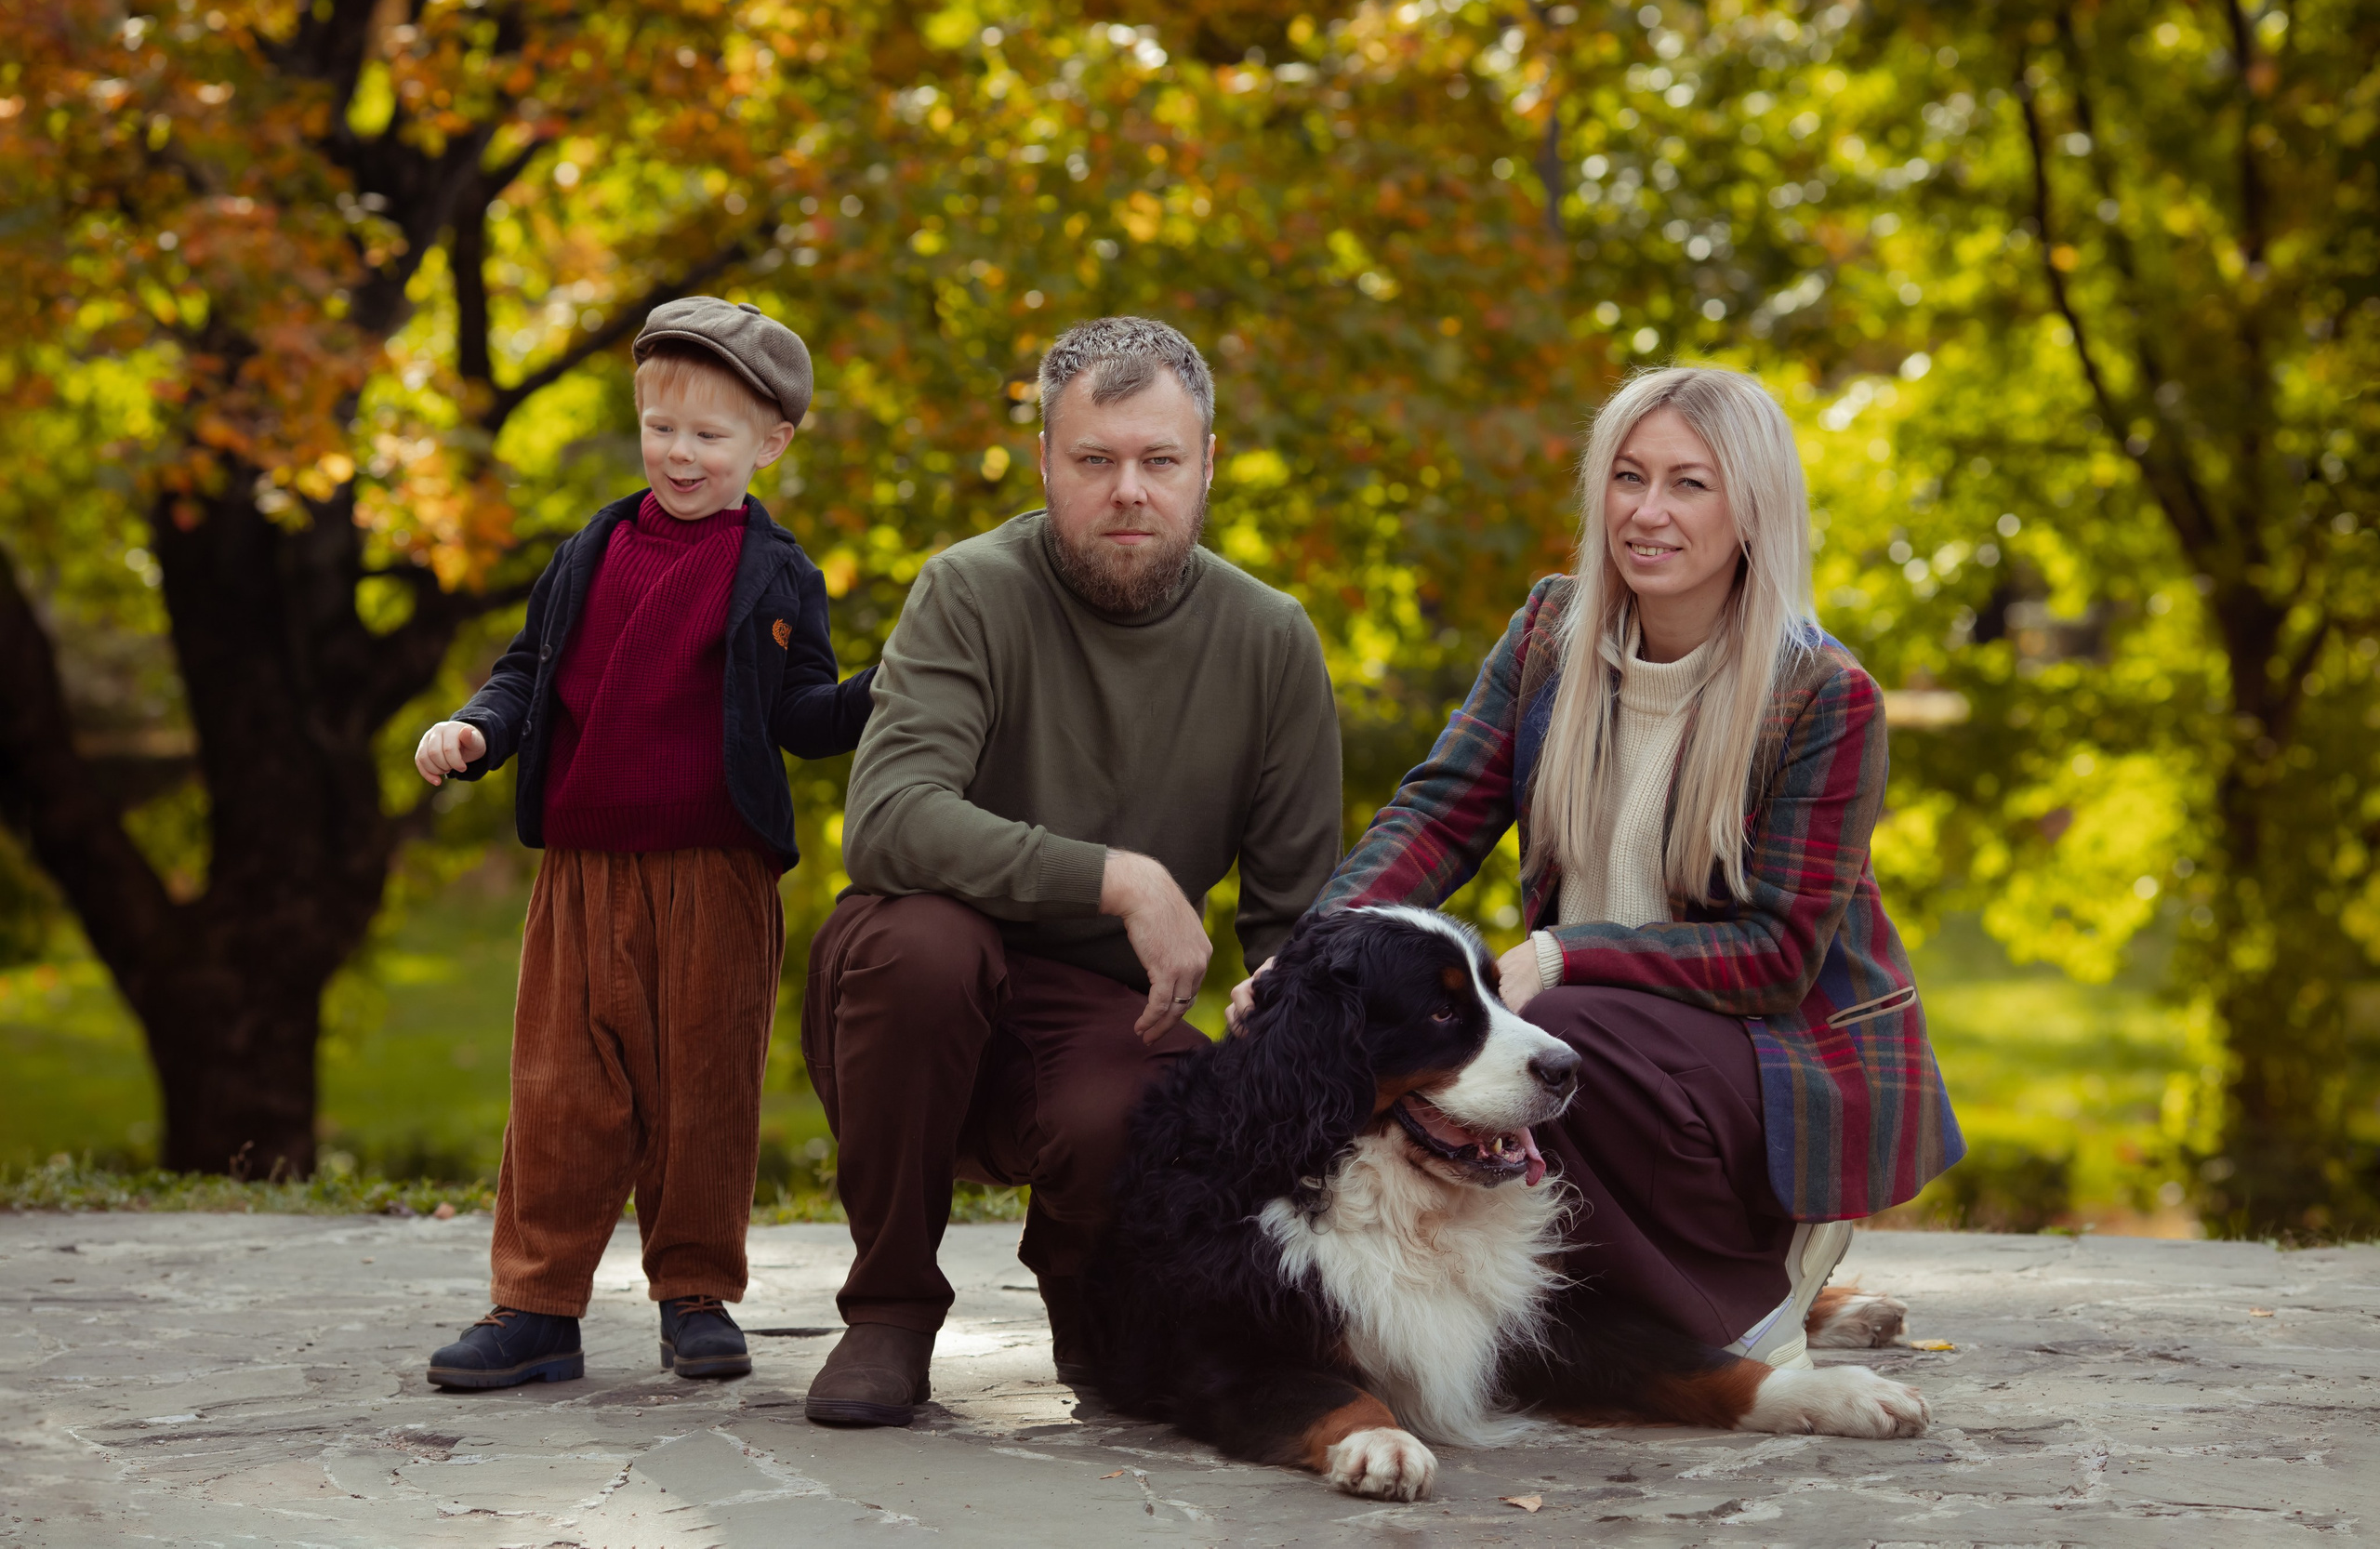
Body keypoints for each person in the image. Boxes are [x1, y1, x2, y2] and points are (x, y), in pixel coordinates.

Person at [1235, 364, 1963, 1370]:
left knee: (1545, 1034)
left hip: (1770, 1071)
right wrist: (1306, 959)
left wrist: (1558, 957)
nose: (1646, 513)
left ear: (1752, 509)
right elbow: (1436, 817)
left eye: (1687, 484)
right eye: (1627, 477)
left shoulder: (1822, 697)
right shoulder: (1549, 635)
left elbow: (1777, 955)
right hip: (1610, 1052)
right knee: (1468, 1062)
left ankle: (1728, 1326)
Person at [800, 316, 1342, 1427]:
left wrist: (1274, 1008)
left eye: (1159, 461)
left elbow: (1295, 918)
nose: (1128, 491)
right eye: (1094, 460)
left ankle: (1086, 1284)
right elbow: (890, 822)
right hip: (923, 988)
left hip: (1108, 1012)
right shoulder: (967, 591)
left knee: (1154, 1101)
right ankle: (890, 1310)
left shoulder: (1271, 641)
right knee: (922, 944)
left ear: (1205, 468)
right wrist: (1124, 879)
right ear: (1046, 461)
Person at [410, 297, 876, 1390]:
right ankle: (535, 1307)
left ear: (770, 444)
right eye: (661, 428)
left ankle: (695, 1292)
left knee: (704, 1089)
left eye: (709, 436)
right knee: (561, 1088)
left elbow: (802, 713)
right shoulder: (593, 549)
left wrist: (880, 695)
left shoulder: (775, 573)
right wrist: (476, 728)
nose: (680, 454)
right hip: (583, 869)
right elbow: (530, 667)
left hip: (714, 869)